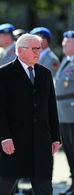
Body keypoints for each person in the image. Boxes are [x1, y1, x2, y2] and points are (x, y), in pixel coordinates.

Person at [0, 33, 61, 195]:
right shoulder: (4, 73)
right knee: (6, 186)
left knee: (44, 187)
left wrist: (56, 137)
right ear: (20, 51)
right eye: (34, 49)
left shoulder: (45, 73)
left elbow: (51, 107)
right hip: (14, 140)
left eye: (39, 49)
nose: (38, 52)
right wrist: (5, 137)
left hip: (40, 140)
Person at [55, 30, 74, 195]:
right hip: (63, 112)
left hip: (72, 111)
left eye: (67, 42)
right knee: (68, 149)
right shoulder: (66, 61)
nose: (63, 45)